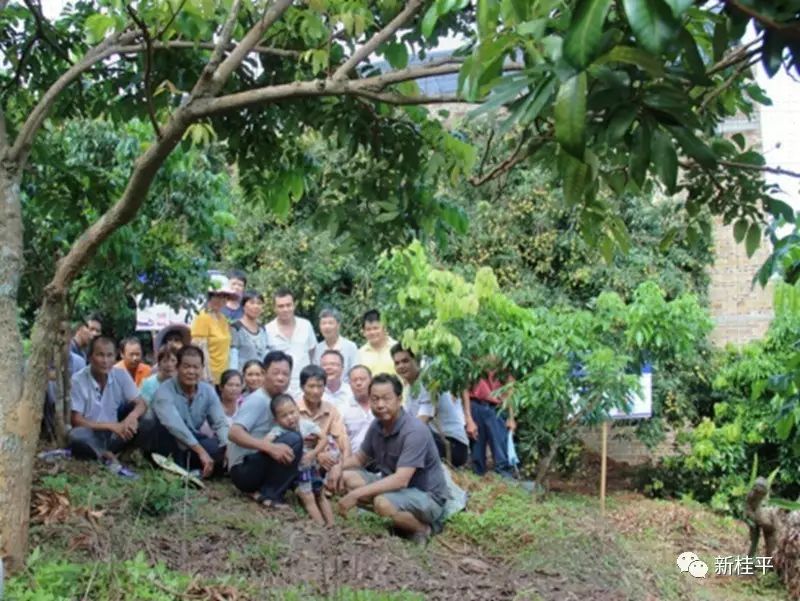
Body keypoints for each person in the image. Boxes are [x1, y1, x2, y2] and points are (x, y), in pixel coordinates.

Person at [338, 374, 449, 544]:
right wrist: (337, 468)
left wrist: (356, 494)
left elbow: (401, 480)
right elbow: (360, 459)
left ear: (399, 399)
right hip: (395, 490)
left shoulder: (414, 430)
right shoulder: (377, 425)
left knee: (382, 503)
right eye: (375, 399)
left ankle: (424, 529)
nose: (380, 405)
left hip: (426, 496)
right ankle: (396, 521)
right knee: (346, 477)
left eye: (386, 399)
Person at [227, 351, 302, 506]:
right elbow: (234, 433)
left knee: (294, 437)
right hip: (243, 469)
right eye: (275, 373)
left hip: (257, 463)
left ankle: (272, 489)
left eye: (285, 374)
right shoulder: (258, 400)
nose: (280, 378)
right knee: (293, 440)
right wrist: (269, 448)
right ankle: (270, 494)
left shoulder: (278, 401)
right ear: (264, 373)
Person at [68, 336, 150, 477]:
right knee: (76, 435)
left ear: (115, 357)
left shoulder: (120, 375)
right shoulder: (78, 380)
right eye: (100, 355)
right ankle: (107, 455)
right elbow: (76, 420)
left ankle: (131, 453)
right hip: (92, 434)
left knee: (149, 418)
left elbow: (141, 403)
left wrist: (132, 417)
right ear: (90, 357)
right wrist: (111, 426)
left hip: (116, 435)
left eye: (109, 355)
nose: (105, 361)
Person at [147, 345, 229, 477]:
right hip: (170, 441)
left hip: (193, 442)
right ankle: (183, 469)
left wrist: (227, 447)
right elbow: (174, 426)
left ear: (202, 369)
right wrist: (201, 452)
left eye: (196, 367)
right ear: (177, 367)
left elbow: (219, 422)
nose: (191, 372)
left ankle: (191, 469)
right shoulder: (164, 391)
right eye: (186, 367)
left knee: (220, 448)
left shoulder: (208, 391)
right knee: (163, 433)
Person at [392, 344, 470, 467]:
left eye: (405, 361)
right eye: (397, 363)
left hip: (452, 445)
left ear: (416, 361)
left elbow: (422, 420)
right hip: (435, 442)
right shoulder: (411, 388)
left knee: (410, 436)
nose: (401, 366)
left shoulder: (428, 382)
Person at [266, 394, 333, 524]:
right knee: (308, 498)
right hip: (298, 472)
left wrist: (313, 453)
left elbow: (324, 438)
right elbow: (266, 442)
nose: (290, 418)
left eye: (292, 412)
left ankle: (331, 525)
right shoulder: (278, 430)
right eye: (284, 416)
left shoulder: (306, 425)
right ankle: (321, 525)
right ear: (276, 420)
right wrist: (275, 447)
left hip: (312, 467)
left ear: (298, 409)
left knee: (320, 495)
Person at [296, 365, 350, 493]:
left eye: (320, 386)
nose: (316, 391)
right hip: (302, 457)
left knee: (342, 469)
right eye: (311, 386)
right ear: (302, 387)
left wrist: (341, 465)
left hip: (326, 457)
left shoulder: (331, 410)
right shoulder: (294, 409)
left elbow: (342, 439)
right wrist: (317, 455)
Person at [464, 368, 517, 478]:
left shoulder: (504, 362)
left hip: (497, 408)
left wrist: (511, 417)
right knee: (477, 452)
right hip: (476, 406)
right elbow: (464, 388)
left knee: (501, 452)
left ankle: (505, 483)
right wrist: (468, 418)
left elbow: (510, 390)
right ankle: (477, 483)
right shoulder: (474, 360)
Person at [265, 288, 316, 398]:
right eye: (281, 306)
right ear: (274, 308)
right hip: (278, 389)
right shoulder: (268, 330)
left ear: (294, 305)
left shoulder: (306, 326)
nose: (285, 309)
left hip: (305, 387)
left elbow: (312, 354)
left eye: (288, 305)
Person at [191, 285, 239, 384]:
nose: (220, 300)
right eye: (217, 296)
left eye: (224, 297)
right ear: (210, 297)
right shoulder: (203, 317)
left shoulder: (223, 318)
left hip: (224, 376)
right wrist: (206, 376)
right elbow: (199, 348)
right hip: (208, 377)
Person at [312, 308, 358, 381]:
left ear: (338, 325)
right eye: (323, 323)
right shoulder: (317, 348)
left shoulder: (350, 347)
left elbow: (355, 372)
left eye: (330, 323)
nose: (327, 327)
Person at [229, 290, 271, 370]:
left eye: (259, 303)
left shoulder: (262, 329)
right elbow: (233, 358)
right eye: (252, 303)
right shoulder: (236, 328)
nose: (256, 306)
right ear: (243, 306)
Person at [340, 365, 374, 453]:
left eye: (362, 379)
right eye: (354, 380)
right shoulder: (343, 409)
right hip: (354, 461)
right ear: (349, 384)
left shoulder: (382, 404)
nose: (358, 383)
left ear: (371, 381)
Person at [357, 310, 396, 376]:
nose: (372, 332)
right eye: (368, 329)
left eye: (376, 328)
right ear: (363, 332)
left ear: (384, 328)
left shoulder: (397, 348)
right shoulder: (359, 354)